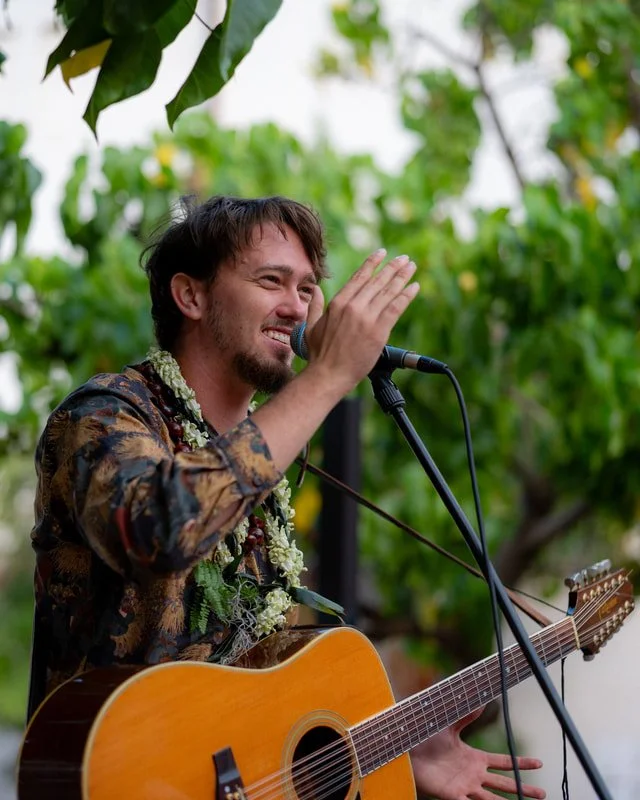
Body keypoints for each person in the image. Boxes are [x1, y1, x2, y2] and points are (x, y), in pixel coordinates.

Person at [29, 195, 545, 800]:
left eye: (306, 289)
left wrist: (386, 753)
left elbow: (261, 696)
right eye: (271, 281)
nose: (295, 307)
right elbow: (157, 529)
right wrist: (326, 379)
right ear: (190, 296)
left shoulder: (272, 467)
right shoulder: (104, 415)